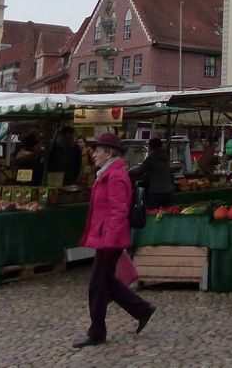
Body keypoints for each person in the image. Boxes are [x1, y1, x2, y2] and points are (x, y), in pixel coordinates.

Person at [73, 133, 155, 349]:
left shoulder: (116, 176)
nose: (94, 155)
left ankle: (97, 332)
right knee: (107, 281)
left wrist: (110, 240)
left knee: (96, 286)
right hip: (106, 236)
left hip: (111, 239)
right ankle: (142, 309)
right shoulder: (107, 174)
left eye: (98, 151)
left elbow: (118, 212)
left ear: (108, 153)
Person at [128, 137, 175, 210]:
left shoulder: (152, 157)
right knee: (165, 212)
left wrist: (129, 172)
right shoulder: (165, 157)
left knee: (152, 213)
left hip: (156, 191)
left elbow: (139, 171)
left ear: (151, 146)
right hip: (169, 190)